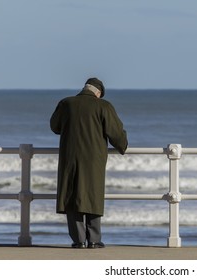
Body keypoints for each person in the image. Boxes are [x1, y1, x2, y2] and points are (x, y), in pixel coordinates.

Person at [50, 77, 128, 249]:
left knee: (71, 195)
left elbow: (55, 126)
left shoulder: (66, 103)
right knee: (92, 195)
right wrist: (123, 145)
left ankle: (78, 241)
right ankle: (93, 239)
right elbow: (115, 132)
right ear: (98, 93)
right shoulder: (103, 106)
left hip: (69, 157)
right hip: (94, 159)